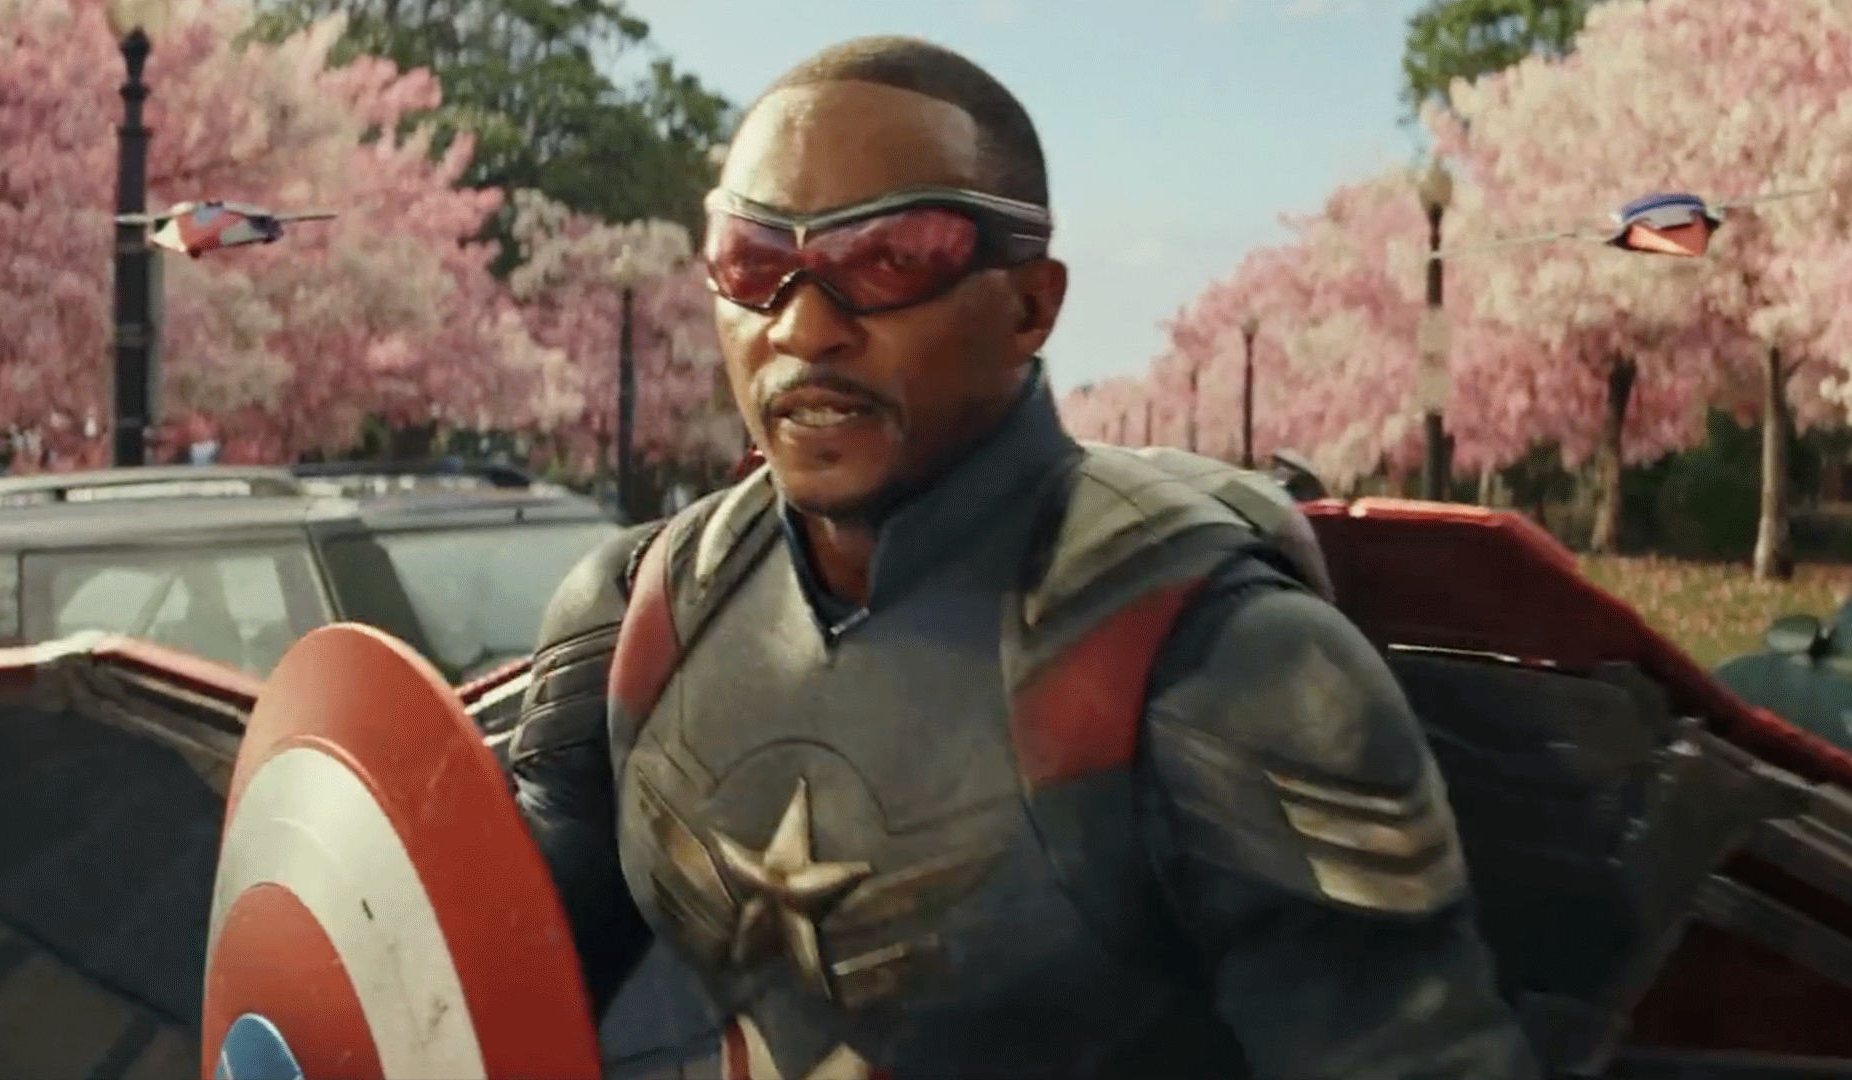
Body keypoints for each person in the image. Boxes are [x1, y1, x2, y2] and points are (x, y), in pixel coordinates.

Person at [509, 35, 1537, 1080]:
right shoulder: (642, 614)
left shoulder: (1229, 665)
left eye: (892, 259)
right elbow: (473, 990)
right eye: (754, 262)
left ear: (1032, 305)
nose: (804, 327)